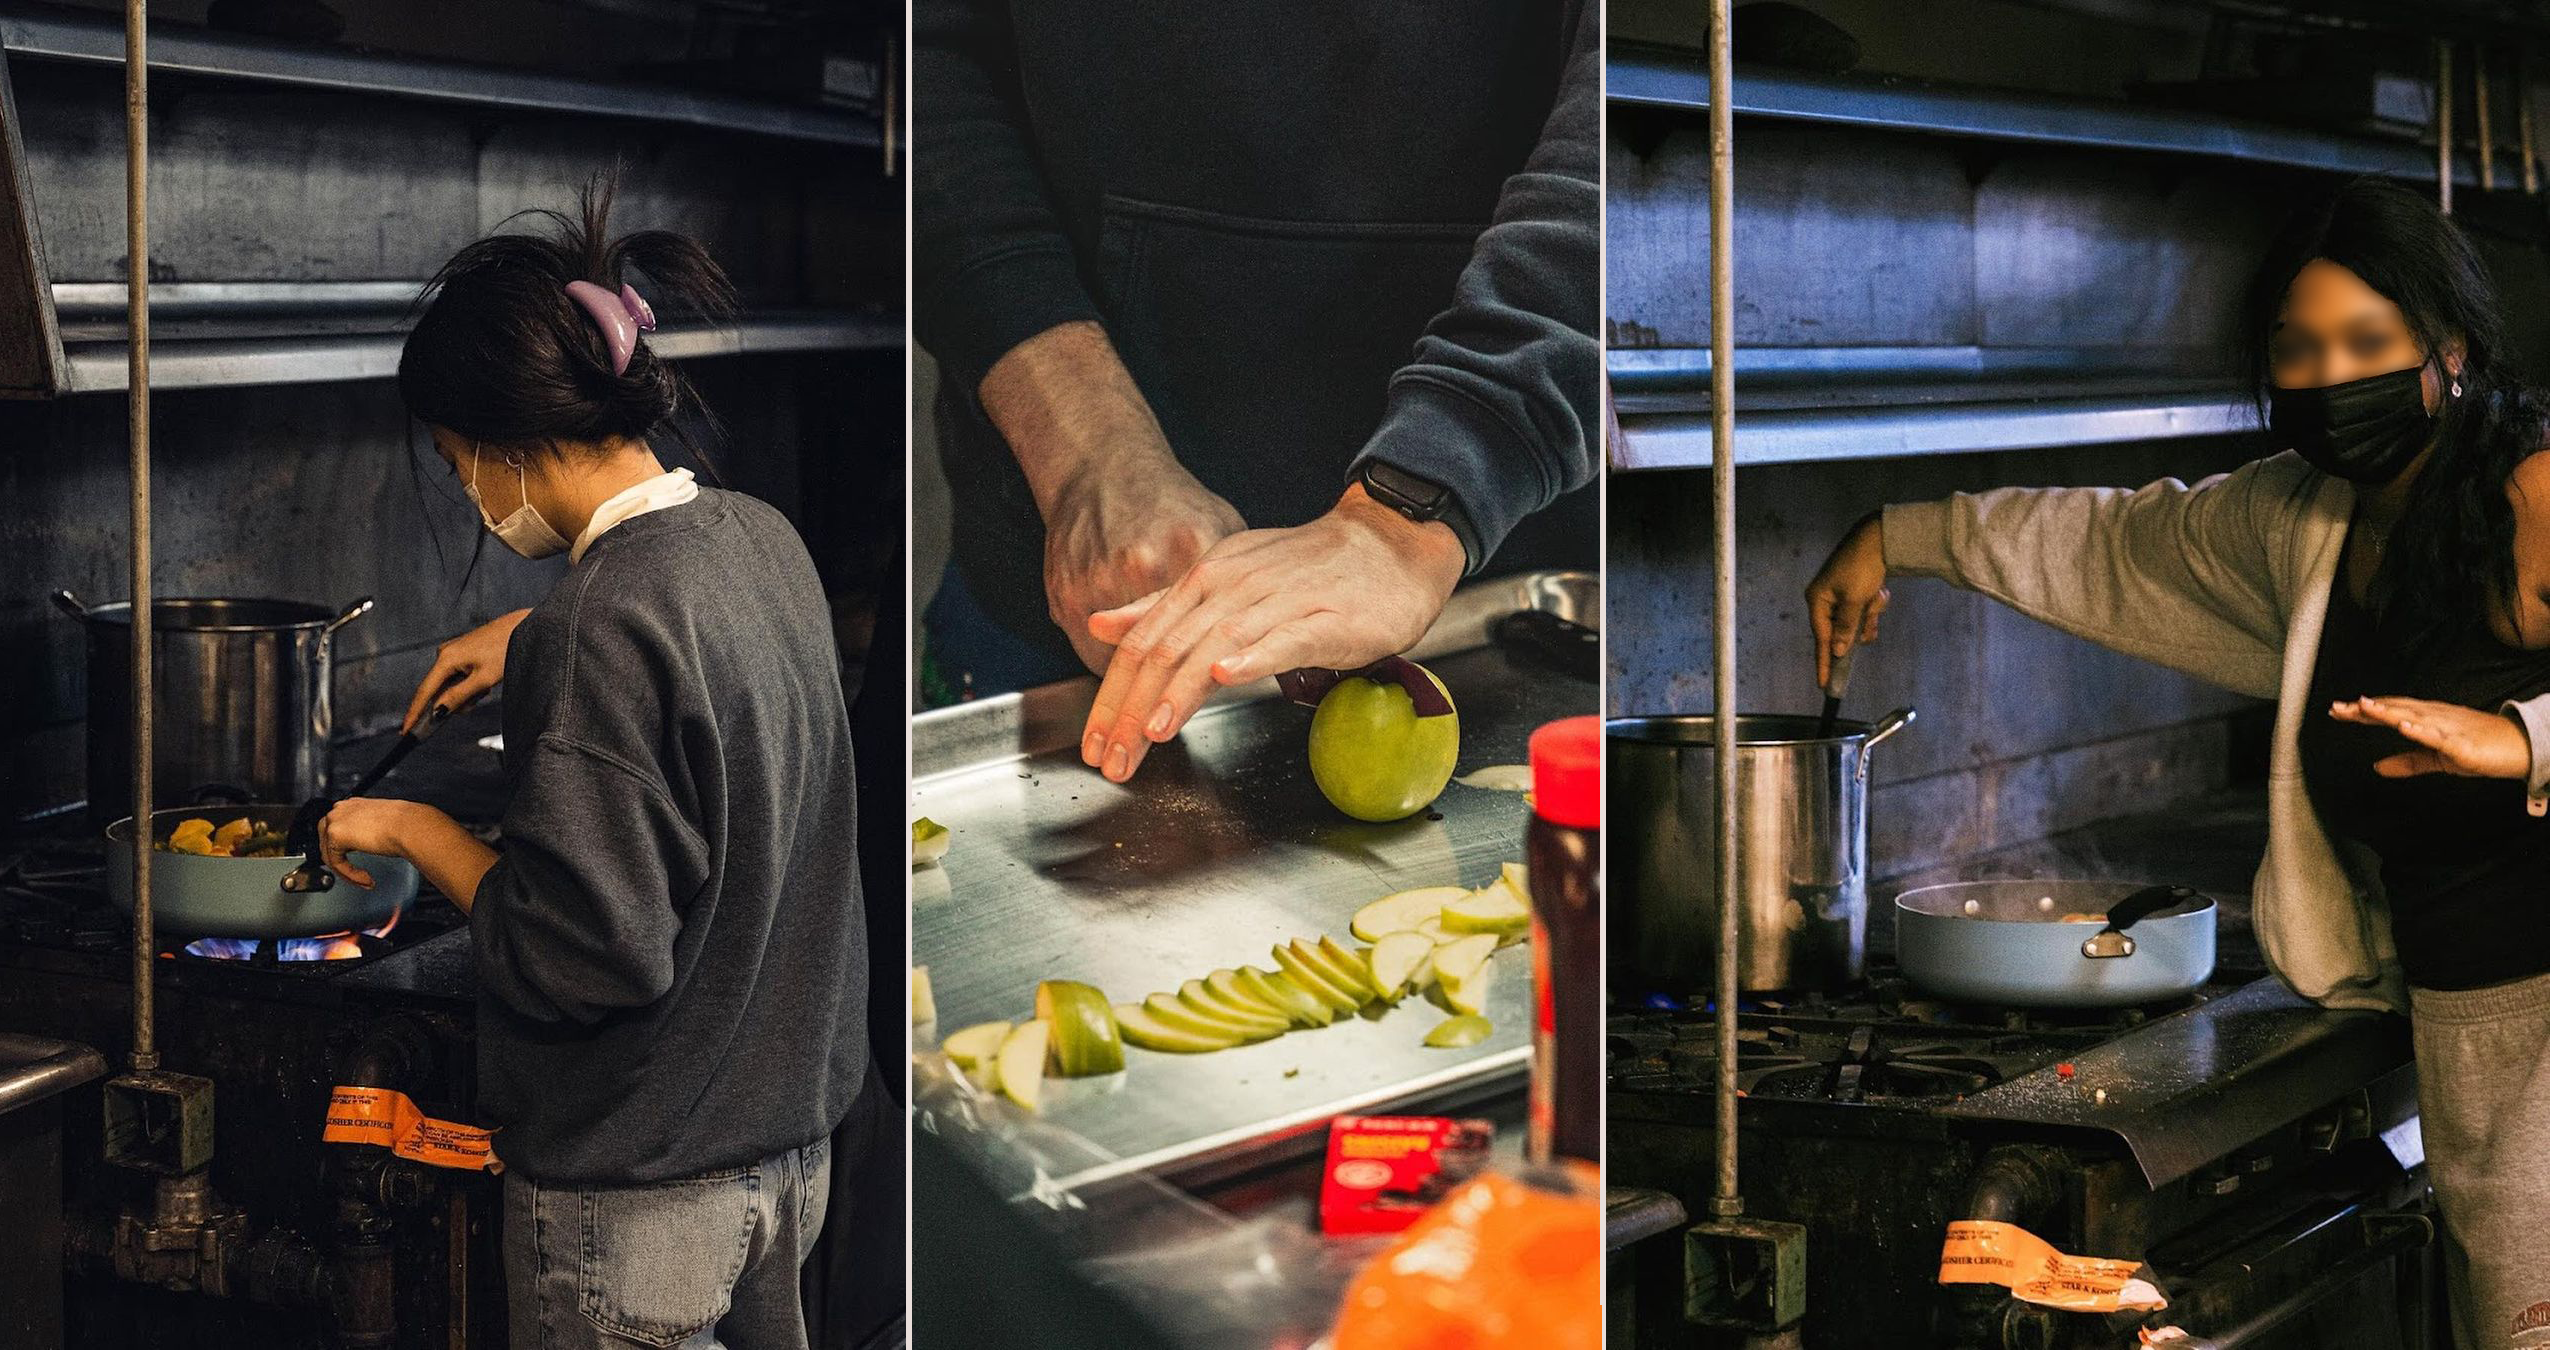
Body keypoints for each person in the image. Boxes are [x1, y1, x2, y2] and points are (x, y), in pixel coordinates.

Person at [1805, 176, 2550, 1348]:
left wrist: (2520, 741)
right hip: (2466, 1030)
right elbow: (2118, 539)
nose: (2328, 376)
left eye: (2367, 341)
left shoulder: (2536, 493)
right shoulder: (2310, 518)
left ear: (2448, 351)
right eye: (2298, 348)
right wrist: (1899, 535)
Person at [313, 185, 870, 1350]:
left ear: (510, 447)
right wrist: (528, 638)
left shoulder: (598, 625)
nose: (470, 493)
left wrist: (413, 828)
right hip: (791, 1163)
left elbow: (582, 959)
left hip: (642, 1202)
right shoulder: (758, 538)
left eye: (459, 461)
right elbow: (704, 689)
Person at [915, 0, 1601, 782]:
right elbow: (930, 65)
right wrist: (1085, 450)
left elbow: (1633, 99)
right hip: (1085, 597)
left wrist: (1425, 496)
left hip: (1496, 616)